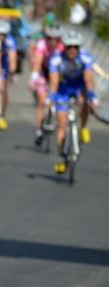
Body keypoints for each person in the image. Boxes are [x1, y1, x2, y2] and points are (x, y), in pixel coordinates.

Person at [49, 31, 97, 174]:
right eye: (69, 47)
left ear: (79, 47)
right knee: (62, 124)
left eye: (75, 47)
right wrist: (51, 98)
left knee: (85, 102)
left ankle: (83, 127)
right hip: (63, 90)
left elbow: (88, 80)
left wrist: (91, 96)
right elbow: (53, 81)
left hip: (79, 87)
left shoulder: (85, 57)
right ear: (64, 47)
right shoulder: (56, 59)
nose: (72, 50)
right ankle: (61, 158)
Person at [30, 22, 63, 145]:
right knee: (42, 101)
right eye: (50, 38)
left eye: (56, 39)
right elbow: (37, 61)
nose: (53, 42)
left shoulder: (63, 47)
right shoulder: (41, 44)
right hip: (44, 72)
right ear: (46, 38)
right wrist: (33, 76)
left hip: (59, 74)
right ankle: (38, 129)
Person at [0, 19, 16, 131]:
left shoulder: (10, 41)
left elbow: (12, 57)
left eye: (3, 34)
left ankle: (1, 116)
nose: (0, 36)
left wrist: (12, 70)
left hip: (4, 65)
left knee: (3, 88)